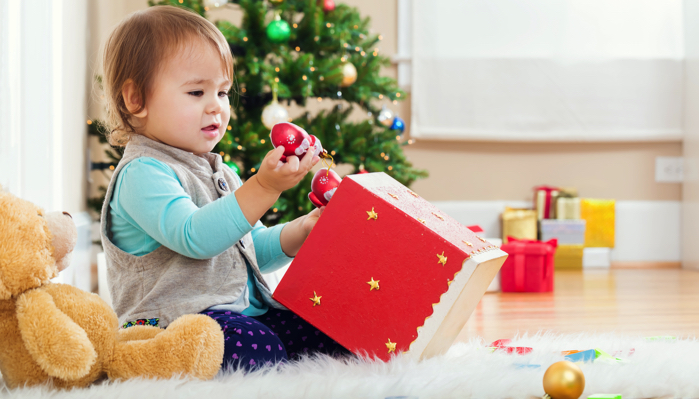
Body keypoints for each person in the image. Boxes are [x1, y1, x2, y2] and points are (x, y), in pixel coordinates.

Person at [99, 5, 348, 371]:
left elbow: (247, 252)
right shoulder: (142, 174)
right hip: (171, 327)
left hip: (236, 317)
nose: (216, 107)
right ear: (136, 100)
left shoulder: (221, 172)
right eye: (197, 92)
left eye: (223, 93)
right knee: (257, 351)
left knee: (330, 333)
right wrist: (263, 186)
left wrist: (301, 231)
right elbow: (195, 237)